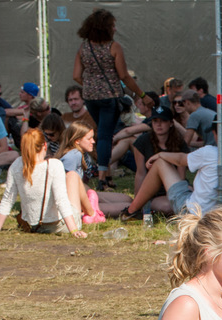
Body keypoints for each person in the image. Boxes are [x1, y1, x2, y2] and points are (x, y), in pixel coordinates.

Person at [73, 8, 146, 190]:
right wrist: (142, 94)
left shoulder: (84, 47)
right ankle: (103, 177)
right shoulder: (114, 47)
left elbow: (76, 75)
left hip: (90, 97)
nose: (115, 29)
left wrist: (90, 85)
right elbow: (124, 75)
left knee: (102, 134)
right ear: (105, 28)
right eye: (112, 26)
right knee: (106, 136)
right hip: (110, 97)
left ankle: (108, 175)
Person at [121, 116, 222, 219]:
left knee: (160, 163)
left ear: (215, 133)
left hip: (196, 213)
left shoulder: (210, 152)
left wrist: (160, 154)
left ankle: (131, 211)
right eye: (155, 121)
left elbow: (181, 160)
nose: (159, 124)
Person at [0, 129, 86, 238]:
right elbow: (61, 200)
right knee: (72, 176)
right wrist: (74, 230)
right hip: (58, 226)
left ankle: (91, 211)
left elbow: (8, 200)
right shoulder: (54, 165)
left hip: (32, 226)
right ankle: (92, 213)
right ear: (45, 146)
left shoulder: (16, 164)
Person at [57, 122, 132, 220]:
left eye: (93, 138)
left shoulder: (80, 154)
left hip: (85, 196)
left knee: (128, 199)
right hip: (78, 203)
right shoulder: (73, 156)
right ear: (77, 141)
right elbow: (66, 188)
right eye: (89, 139)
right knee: (128, 207)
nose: (93, 141)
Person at [129, 105, 190, 214]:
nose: (159, 124)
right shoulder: (142, 142)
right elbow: (140, 173)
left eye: (163, 121)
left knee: (197, 198)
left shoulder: (179, 142)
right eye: (155, 121)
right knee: (167, 207)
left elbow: (181, 176)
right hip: (153, 190)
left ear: (171, 123)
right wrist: (137, 201)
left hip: (174, 186)